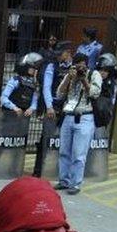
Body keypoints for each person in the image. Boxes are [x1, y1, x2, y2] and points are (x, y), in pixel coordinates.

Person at [0, 52, 40, 177]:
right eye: (32, 67)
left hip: (23, 118)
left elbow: (34, 100)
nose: (34, 70)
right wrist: (14, 108)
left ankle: (14, 168)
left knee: (19, 143)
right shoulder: (15, 80)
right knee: (1, 142)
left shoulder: (33, 83)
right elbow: (4, 98)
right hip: (10, 116)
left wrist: (32, 109)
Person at [54, 53, 101, 194]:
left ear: (86, 65)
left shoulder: (94, 74)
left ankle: (75, 184)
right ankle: (64, 181)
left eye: (83, 65)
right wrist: (69, 78)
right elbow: (59, 94)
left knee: (79, 154)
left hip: (85, 117)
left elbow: (94, 94)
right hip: (68, 116)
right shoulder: (70, 75)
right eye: (77, 65)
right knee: (64, 152)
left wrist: (83, 80)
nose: (80, 67)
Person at [34, 41, 72, 177]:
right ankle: (38, 170)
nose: (67, 55)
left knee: (62, 140)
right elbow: (46, 87)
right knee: (46, 138)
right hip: (52, 106)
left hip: (66, 107)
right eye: (65, 52)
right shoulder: (51, 66)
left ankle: (56, 170)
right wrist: (49, 107)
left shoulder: (70, 67)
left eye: (68, 52)